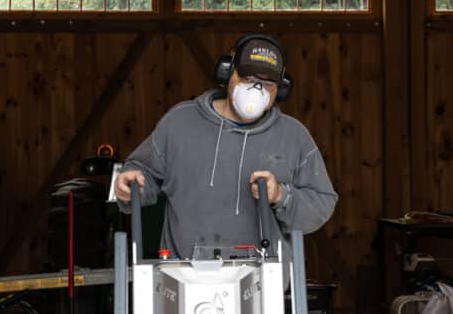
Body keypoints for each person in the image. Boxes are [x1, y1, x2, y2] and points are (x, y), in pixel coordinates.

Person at [114, 34, 337, 258]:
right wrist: (130, 185)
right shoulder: (179, 123)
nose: (255, 90)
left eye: (267, 84)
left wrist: (281, 195)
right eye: (248, 78)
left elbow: (322, 203)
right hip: (183, 276)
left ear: (280, 89)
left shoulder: (293, 136)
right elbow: (142, 172)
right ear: (227, 72)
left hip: (263, 282)